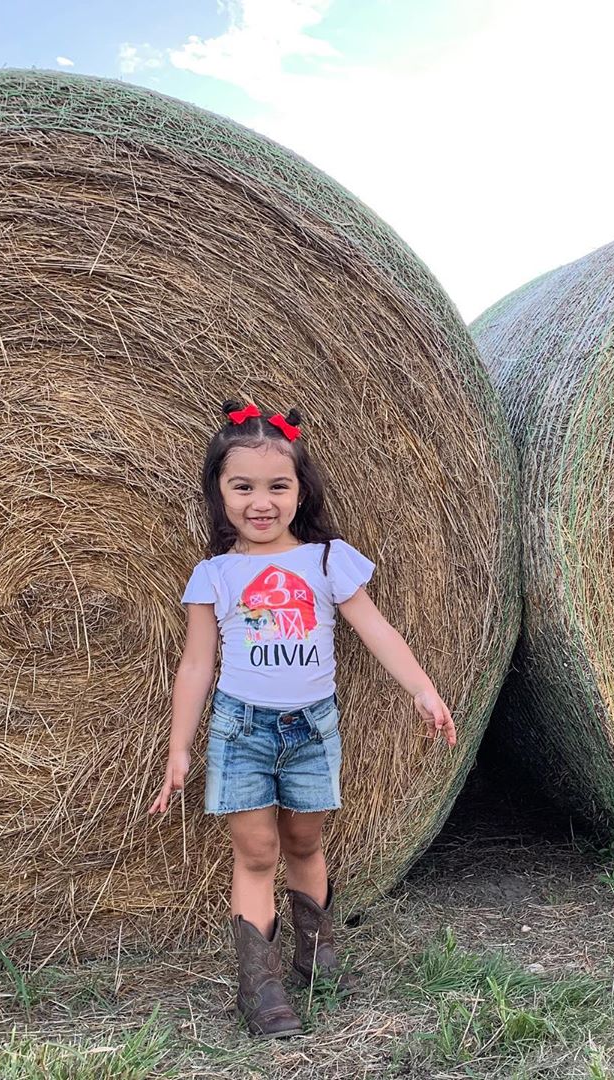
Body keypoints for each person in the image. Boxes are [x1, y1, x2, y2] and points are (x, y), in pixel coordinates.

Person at [149, 401, 457, 1039]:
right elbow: (196, 665)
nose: (261, 502)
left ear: (299, 491)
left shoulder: (325, 561)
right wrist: (180, 746)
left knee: (304, 843)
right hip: (241, 729)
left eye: (277, 486)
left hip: (312, 728)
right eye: (243, 487)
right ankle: (258, 986)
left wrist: (423, 689)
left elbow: (375, 629)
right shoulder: (215, 574)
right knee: (256, 851)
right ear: (219, 492)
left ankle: (315, 950)